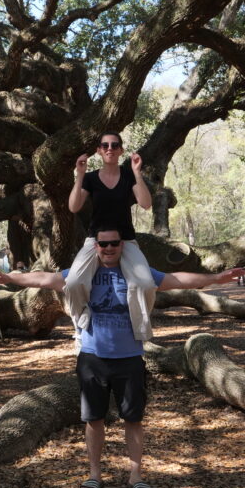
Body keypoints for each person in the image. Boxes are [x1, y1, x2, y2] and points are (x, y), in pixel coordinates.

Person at [0, 227, 244, 488]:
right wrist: (8, 276)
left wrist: (214, 278)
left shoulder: (138, 274)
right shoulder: (83, 274)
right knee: (94, 419)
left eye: (113, 244)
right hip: (92, 358)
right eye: (103, 244)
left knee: (133, 419)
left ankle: (136, 475)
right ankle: (94, 474)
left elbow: (176, 279)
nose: (108, 249)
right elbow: (44, 279)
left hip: (129, 358)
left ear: (122, 245)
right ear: (95, 247)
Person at [65, 132, 154, 344]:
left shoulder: (128, 175)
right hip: (95, 241)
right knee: (74, 282)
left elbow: (146, 203)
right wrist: (79, 174)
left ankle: (139, 331)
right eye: (105, 145)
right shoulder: (90, 178)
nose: (109, 148)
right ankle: (81, 324)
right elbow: (73, 206)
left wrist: (137, 172)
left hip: (126, 240)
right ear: (98, 150)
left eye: (115, 145)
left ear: (121, 150)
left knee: (146, 285)